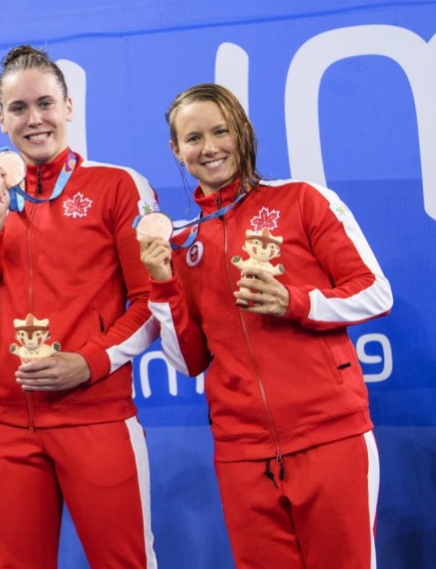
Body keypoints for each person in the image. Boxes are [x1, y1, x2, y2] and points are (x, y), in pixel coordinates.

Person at [139, 83, 393, 568]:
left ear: (243, 132)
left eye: (220, 131)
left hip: (330, 437)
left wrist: (294, 302)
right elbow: (189, 360)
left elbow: (374, 291)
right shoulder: (182, 242)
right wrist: (161, 282)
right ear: (177, 150)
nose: (209, 147)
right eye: (193, 139)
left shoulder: (302, 200)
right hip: (242, 453)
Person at [0, 45, 160, 568]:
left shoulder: (116, 186)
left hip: (95, 414)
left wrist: (89, 362)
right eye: (18, 108)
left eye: (45, 103)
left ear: (69, 108)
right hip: (3, 422)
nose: (34, 119)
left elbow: (153, 303)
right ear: (1, 119)